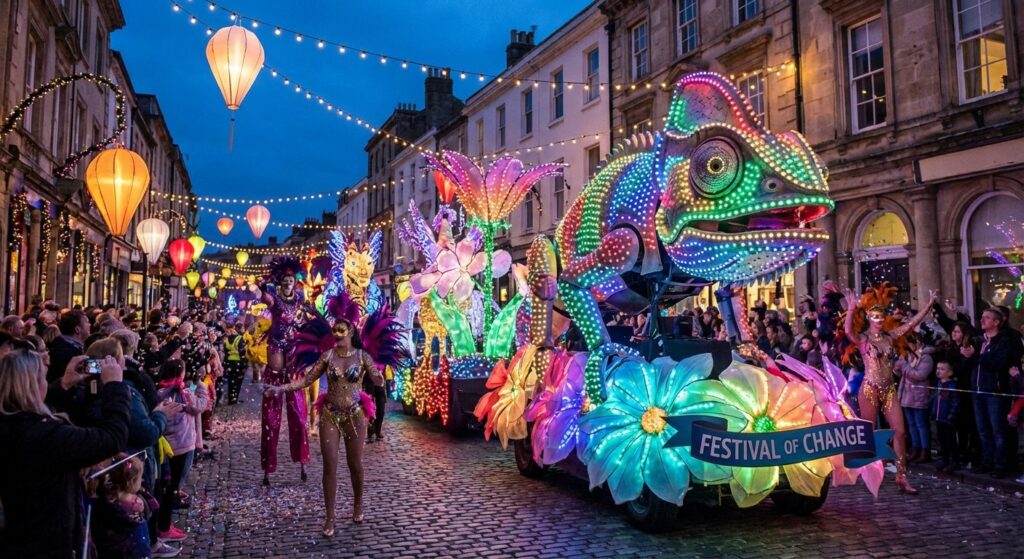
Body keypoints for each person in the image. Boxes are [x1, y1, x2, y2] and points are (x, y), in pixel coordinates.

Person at [0, 351, 131, 558]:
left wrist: (64, 385)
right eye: (43, 378)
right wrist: (115, 387)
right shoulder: (43, 435)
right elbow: (112, 438)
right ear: (32, 385)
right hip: (44, 542)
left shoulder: (13, 425)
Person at [265, 316, 383, 536]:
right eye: (334, 330)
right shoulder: (328, 356)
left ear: (350, 331)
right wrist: (281, 389)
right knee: (330, 466)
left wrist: (378, 378)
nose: (336, 334)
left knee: (355, 463)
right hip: (330, 415)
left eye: (341, 330)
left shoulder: (362, 356)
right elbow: (305, 380)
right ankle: (330, 517)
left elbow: (377, 376)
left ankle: (357, 504)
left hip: (355, 416)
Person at [842, 284, 938, 494]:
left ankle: (902, 476)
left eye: (881, 316)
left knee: (901, 432)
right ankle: (867, 469)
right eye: (874, 316)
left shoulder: (890, 337)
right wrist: (851, 308)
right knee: (869, 432)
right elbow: (848, 331)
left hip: (889, 389)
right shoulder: (863, 339)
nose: (878, 320)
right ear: (868, 318)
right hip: (869, 389)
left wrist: (929, 305)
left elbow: (912, 324)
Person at [257, 257, 311, 486]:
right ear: (280, 283)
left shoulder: (300, 297)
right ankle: (268, 467)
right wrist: (262, 288)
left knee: (298, 415)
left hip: (294, 347)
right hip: (277, 346)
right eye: (285, 280)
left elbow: (308, 315)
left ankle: (302, 461)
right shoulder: (275, 299)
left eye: (291, 280)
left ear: (294, 282)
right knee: (272, 417)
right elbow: (266, 299)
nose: (288, 283)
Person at [156, 358, 206, 543]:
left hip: (167, 445)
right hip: (182, 446)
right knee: (172, 488)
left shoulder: (159, 392)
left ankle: (164, 523)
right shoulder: (182, 394)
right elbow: (200, 405)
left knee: (166, 486)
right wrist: (200, 385)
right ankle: (164, 526)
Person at [962, 307, 1016, 478]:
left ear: (996, 322)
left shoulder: (1004, 341)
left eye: (987, 318)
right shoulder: (978, 340)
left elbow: (998, 363)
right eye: (982, 317)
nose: (982, 320)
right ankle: (987, 461)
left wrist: (976, 355)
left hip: (995, 392)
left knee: (998, 430)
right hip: (977, 390)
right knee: (982, 429)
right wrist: (967, 357)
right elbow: (970, 366)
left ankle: (1001, 464)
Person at [92, 453, 162, 558]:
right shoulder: (136, 503)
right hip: (136, 545)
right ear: (131, 482)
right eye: (140, 478)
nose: (141, 481)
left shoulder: (107, 498)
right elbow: (148, 514)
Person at [894, 335, 935, 463]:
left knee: (921, 425)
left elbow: (920, 375)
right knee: (912, 425)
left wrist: (905, 366)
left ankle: (925, 451)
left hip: (918, 395)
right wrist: (896, 368)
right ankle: (915, 449)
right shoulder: (909, 356)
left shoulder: (926, 358)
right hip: (906, 395)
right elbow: (902, 374)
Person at [47, 309, 90, 382]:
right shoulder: (69, 352)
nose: (90, 325)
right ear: (77, 329)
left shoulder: (59, 344)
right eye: (87, 322)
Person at [932, 360, 960, 472]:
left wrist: (951, 416)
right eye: (938, 368)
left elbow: (955, 402)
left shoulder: (952, 386)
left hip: (948, 418)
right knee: (942, 439)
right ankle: (945, 459)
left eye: (942, 369)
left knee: (951, 440)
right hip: (939, 417)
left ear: (950, 372)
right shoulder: (938, 384)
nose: (938, 371)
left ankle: (955, 461)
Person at [222, 322, 247, 405]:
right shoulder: (240, 338)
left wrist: (225, 364)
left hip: (230, 364)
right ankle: (234, 399)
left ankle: (231, 399)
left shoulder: (226, 339)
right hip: (238, 364)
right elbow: (243, 353)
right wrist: (245, 366)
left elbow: (225, 352)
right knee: (238, 382)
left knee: (231, 381)